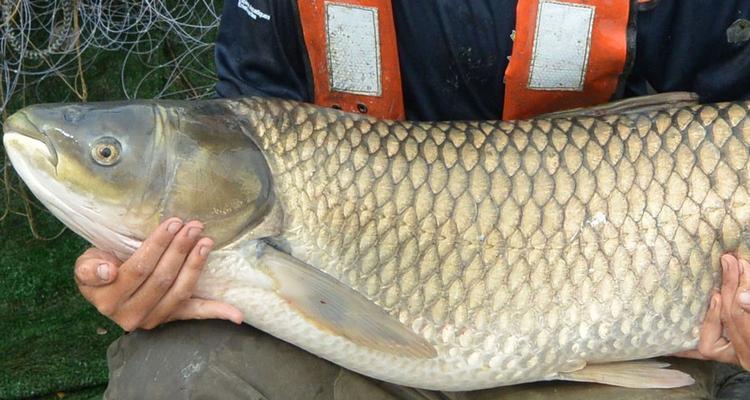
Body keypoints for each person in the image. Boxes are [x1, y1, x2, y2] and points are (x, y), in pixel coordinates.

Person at [73, 0, 750, 398]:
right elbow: (236, 134)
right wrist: (149, 272)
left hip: (622, 336)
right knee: (176, 380)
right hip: (335, 332)